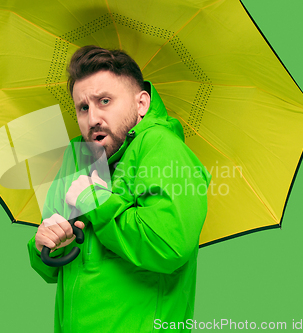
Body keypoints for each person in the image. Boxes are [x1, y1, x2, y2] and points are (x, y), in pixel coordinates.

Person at [28, 45, 211, 332]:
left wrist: (96, 201)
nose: (92, 119)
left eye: (104, 101)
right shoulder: (76, 156)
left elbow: (168, 246)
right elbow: (53, 269)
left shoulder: (163, 149)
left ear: (141, 104)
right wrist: (44, 245)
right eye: (83, 107)